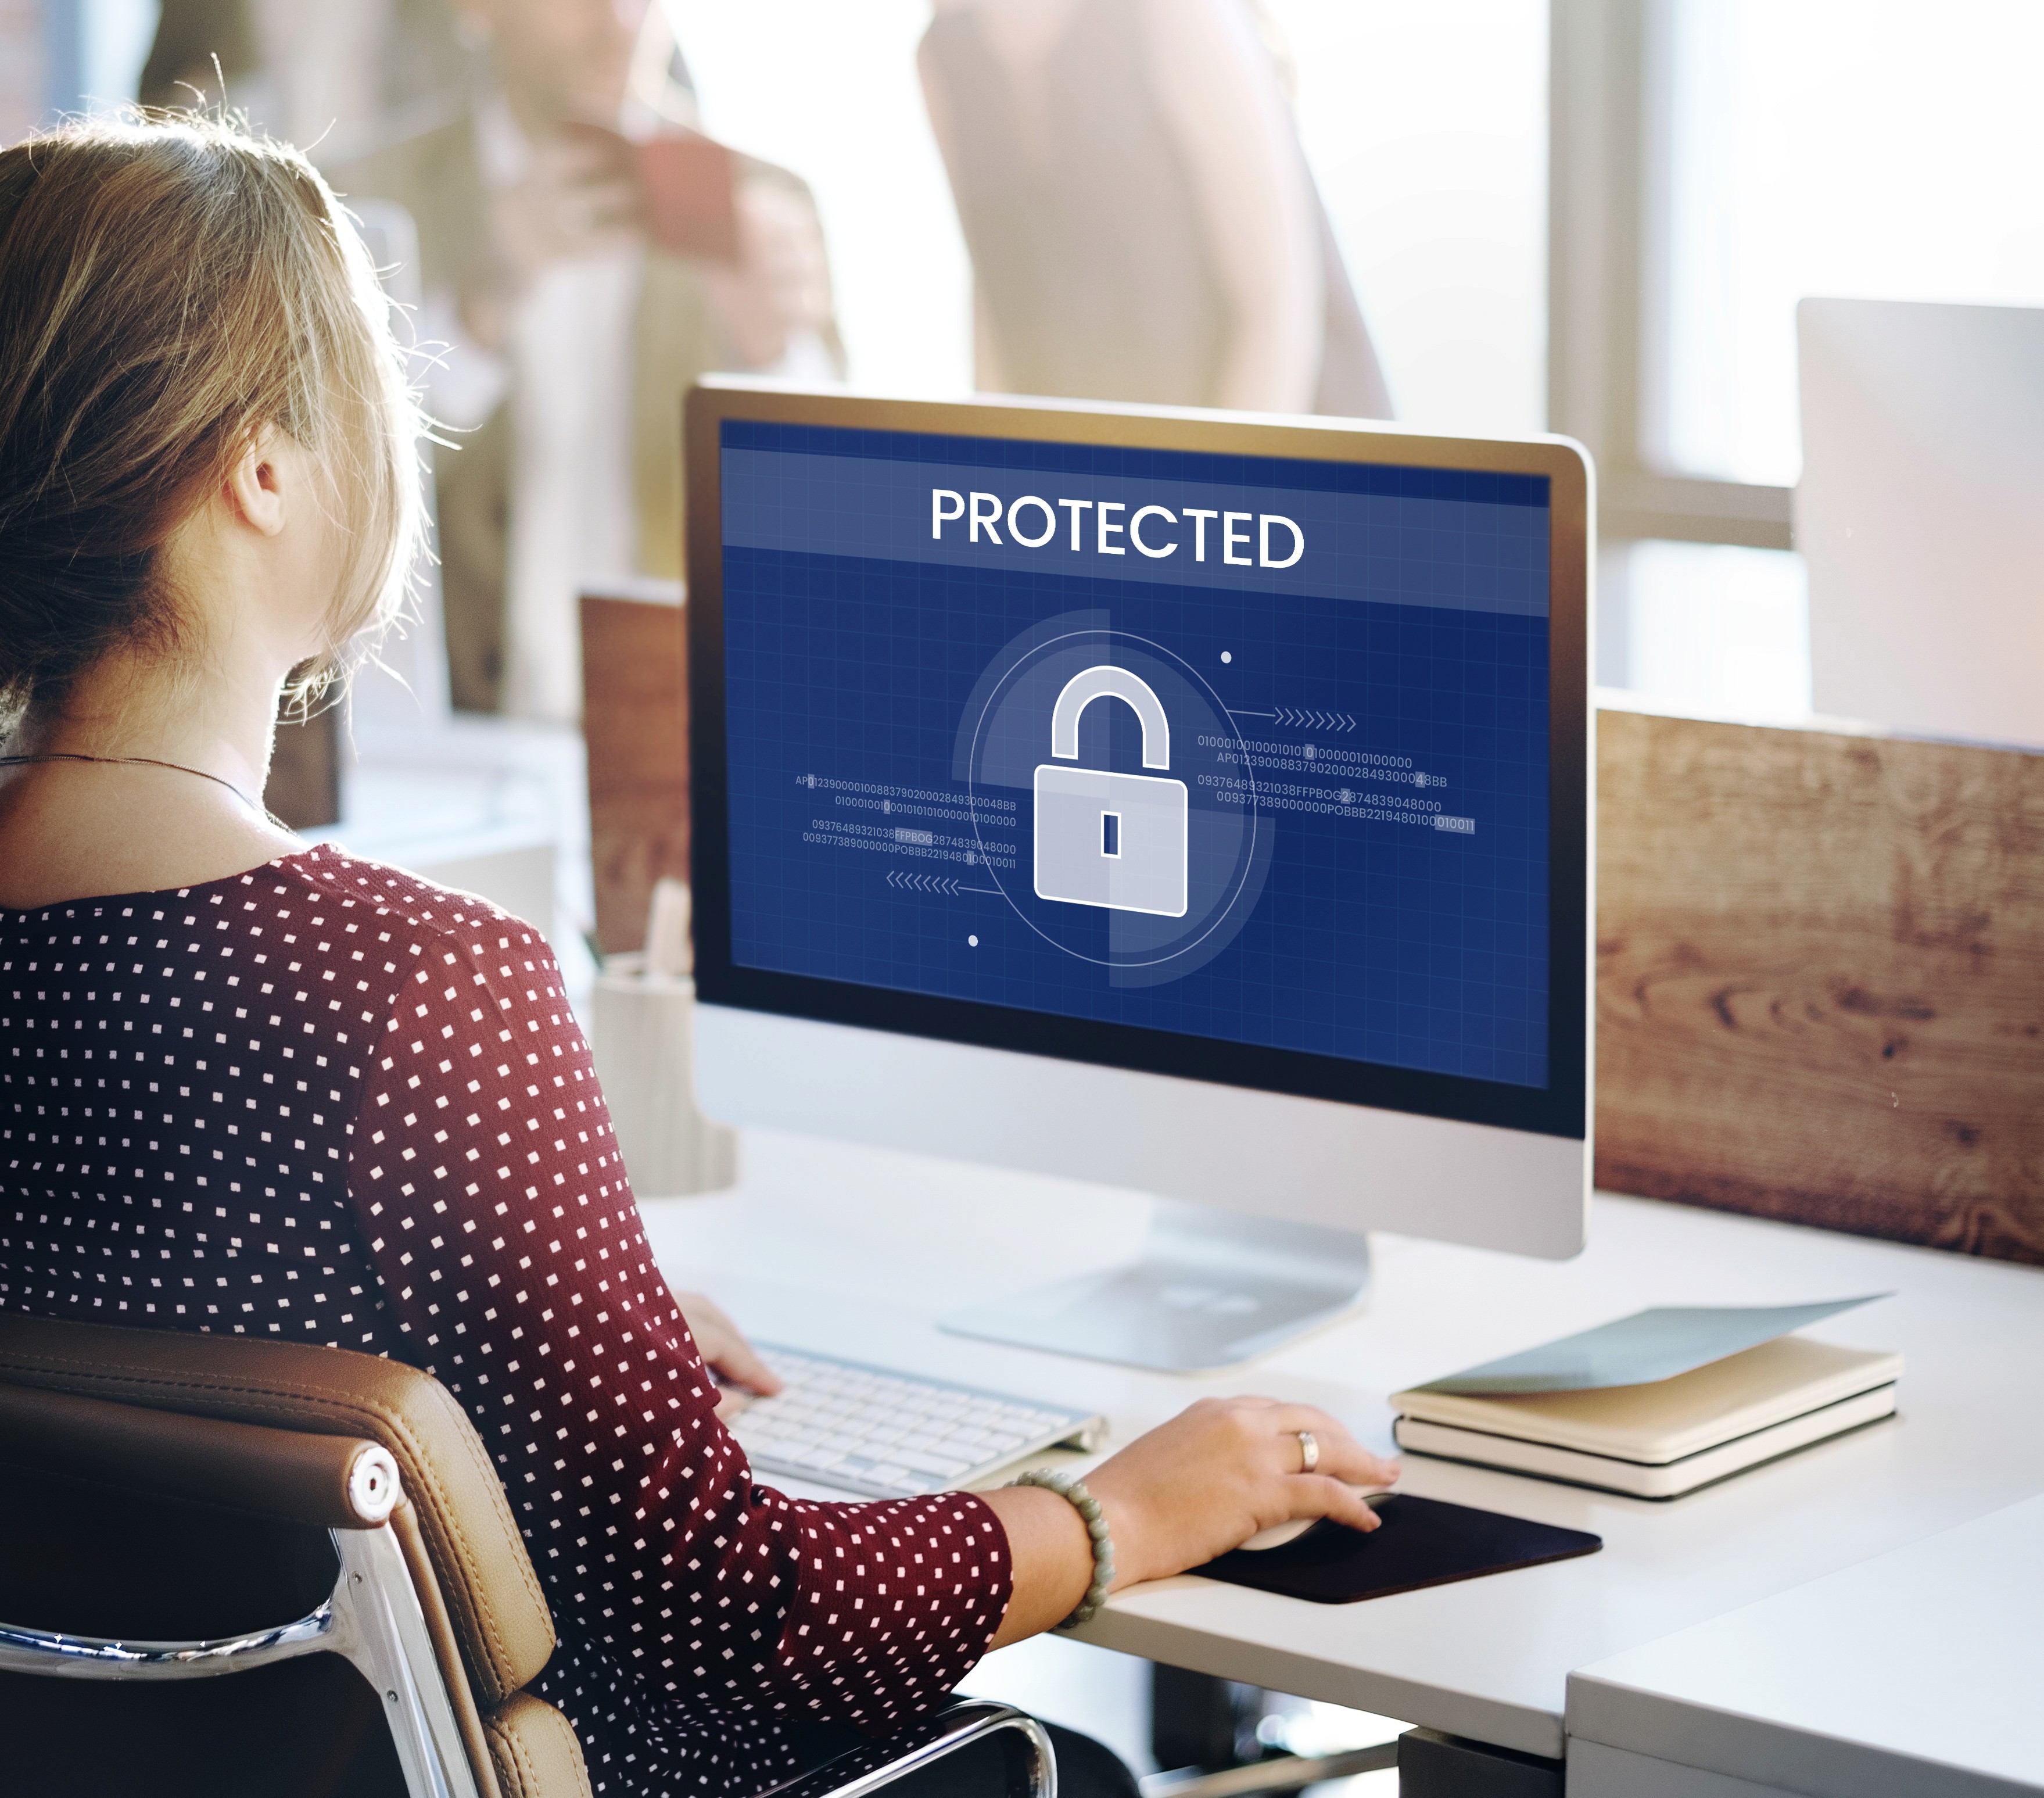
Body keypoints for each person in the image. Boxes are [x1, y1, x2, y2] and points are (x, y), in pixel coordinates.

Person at [0, 115, 1397, 1798]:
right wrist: (1119, 1512)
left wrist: (544, 1312)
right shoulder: (417, 992)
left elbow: (151, 1313)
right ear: (263, 470)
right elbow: (736, 1615)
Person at [331, 0, 838, 721]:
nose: (622, 22)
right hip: (442, 729)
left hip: (677, 722)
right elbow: (328, 502)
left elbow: (829, 532)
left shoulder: (763, 199)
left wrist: (769, 355)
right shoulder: (361, 196)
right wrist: (474, 318)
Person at [920, 0, 1391, 419]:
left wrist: (1206, 484)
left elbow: (1278, 309)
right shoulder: (945, 55)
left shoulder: (1176, 12)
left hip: (1281, 439)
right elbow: (1000, 301)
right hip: (1118, 464)